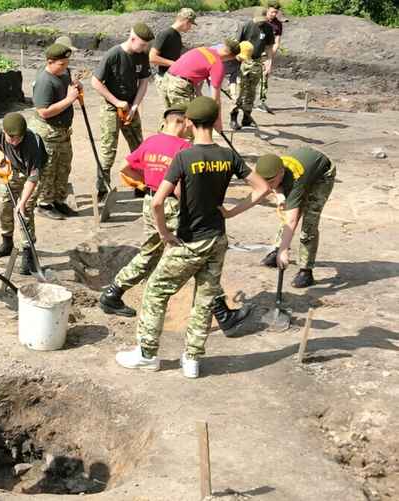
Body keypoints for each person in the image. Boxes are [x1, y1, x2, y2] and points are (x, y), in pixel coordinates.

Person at [115, 97, 270, 379]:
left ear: (189, 122)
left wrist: (163, 232)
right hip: (217, 238)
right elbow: (261, 188)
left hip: (190, 239)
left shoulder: (184, 157)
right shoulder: (228, 156)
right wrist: (232, 212)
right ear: (214, 121)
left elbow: (159, 201)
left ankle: (147, 354)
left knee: (156, 290)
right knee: (205, 297)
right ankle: (192, 360)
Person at [101, 104, 191, 317]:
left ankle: (115, 293)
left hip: (150, 201)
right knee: (193, 250)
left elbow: (124, 166)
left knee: (152, 250)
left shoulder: (151, 142)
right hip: (171, 205)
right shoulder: (184, 148)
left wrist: (148, 182)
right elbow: (179, 190)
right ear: (183, 122)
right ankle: (219, 309)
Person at [91, 23, 155, 212]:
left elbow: (143, 82)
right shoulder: (113, 54)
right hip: (111, 109)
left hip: (130, 107)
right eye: (142, 45)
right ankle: (103, 189)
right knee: (108, 150)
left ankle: (140, 184)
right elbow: (95, 82)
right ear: (133, 39)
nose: (145, 49)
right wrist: (116, 101)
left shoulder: (142, 55)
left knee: (139, 147)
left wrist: (135, 105)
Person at [254, 149, 336, 287]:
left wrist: (284, 250)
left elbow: (292, 220)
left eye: (272, 182)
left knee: (309, 222)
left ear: (281, 173)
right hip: (303, 171)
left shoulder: (295, 181)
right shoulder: (273, 169)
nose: (269, 186)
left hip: (322, 176)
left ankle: (306, 270)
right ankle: (277, 251)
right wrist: (279, 194)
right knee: (287, 211)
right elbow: (272, 184)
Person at [0, 112, 47, 276]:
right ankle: (7, 243)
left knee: (25, 209)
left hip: (35, 173)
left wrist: (21, 202)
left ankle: (28, 255)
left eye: (18, 138)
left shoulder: (32, 144)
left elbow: (33, 178)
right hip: (15, 168)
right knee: (5, 203)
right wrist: (3, 155)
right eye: (10, 137)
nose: (14, 141)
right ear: (4, 131)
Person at [30, 41, 82, 220]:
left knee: (63, 166)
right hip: (48, 132)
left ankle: (59, 200)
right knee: (48, 168)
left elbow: (68, 87)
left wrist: (75, 86)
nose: (65, 68)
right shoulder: (44, 81)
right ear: (50, 61)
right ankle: (44, 203)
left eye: (66, 64)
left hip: (63, 131)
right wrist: (69, 99)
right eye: (61, 64)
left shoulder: (63, 73)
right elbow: (43, 111)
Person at [160, 39, 241, 131]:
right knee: (185, 124)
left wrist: (199, 98)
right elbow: (216, 100)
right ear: (231, 56)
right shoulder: (217, 64)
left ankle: (162, 141)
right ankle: (183, 144)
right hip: (180, 85)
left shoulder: (203, 49)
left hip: (167, 78)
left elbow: (195, 76)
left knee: (169, 117)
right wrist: (217, 123)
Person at [231, 8, 276, 130]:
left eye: (263, 20)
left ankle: (247, 117)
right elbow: (236, 44)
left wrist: (269, 63)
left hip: (257, 62)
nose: (260, 23)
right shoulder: (245, 26)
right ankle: (234, 117)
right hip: (244, 61)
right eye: (259, 20)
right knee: (240, 91)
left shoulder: (268, 28)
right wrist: (236, 59)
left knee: (251, 91)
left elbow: (269, 47)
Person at [150, 8, 197, 103]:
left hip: (173, 78)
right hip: (164, 79)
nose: (190, 27)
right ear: (186, 21)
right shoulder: (165, 34)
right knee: (171, 113)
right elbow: (152, 58)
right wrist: (174, 64)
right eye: (190, 24)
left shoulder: (177, 36)